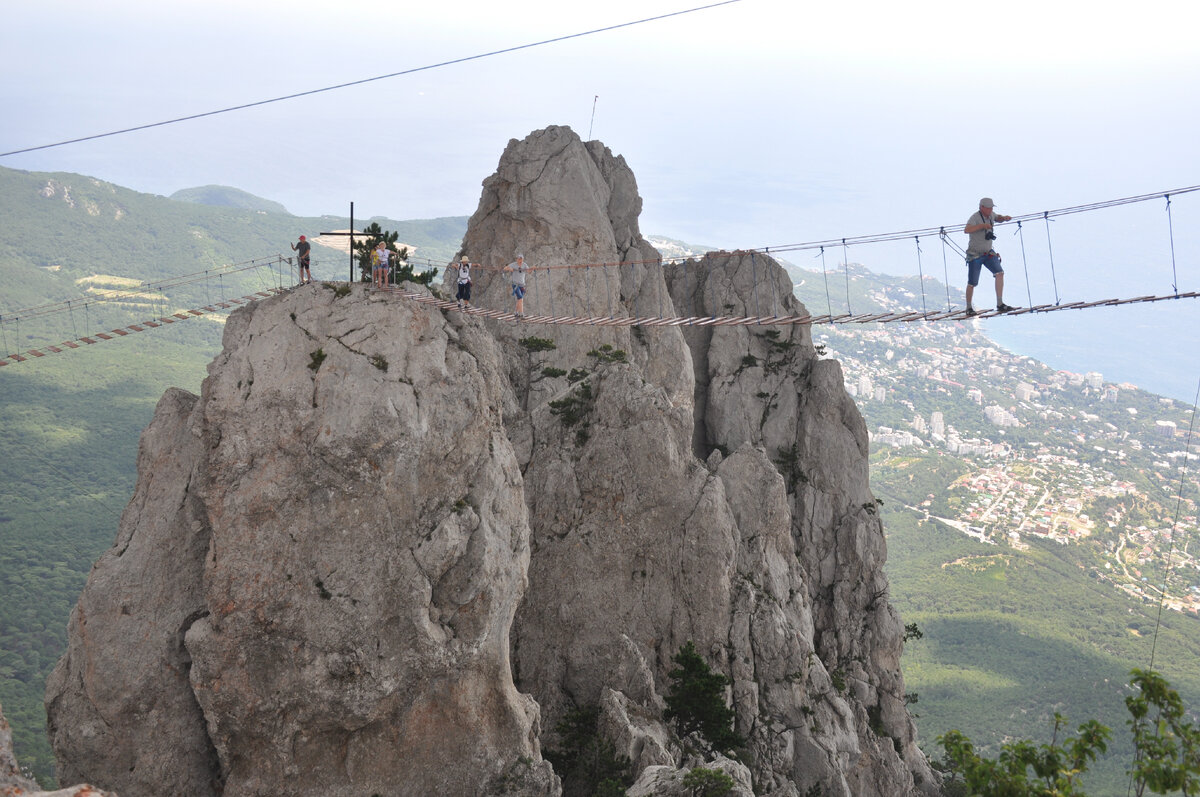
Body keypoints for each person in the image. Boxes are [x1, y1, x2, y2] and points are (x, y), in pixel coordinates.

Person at [963, 197, 1016, 315]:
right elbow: (967, 230)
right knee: (972, 283)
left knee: (1000, 273)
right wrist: (982, 226)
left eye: (991, 208)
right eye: (988, 208)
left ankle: (1000, 303)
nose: (990, 210)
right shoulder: (975, 217)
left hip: (988, 253)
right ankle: (968, 308)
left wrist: (1004, 218)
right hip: (975, 255)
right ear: (982, 207)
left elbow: (998, 218)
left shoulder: (991, 215)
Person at [503, 253, 529, 318]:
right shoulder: (513, 264)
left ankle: (516, 312)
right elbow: (505, 268)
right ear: (517, 259)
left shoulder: (524, 265)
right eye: (519, 259)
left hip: (522, 285)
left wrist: (533, 268)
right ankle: (522, 314)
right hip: (516, 285)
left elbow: (529, 271)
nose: (520, 260)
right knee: (520, 298)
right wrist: (509, 268)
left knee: (519, 299)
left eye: (521, 259)